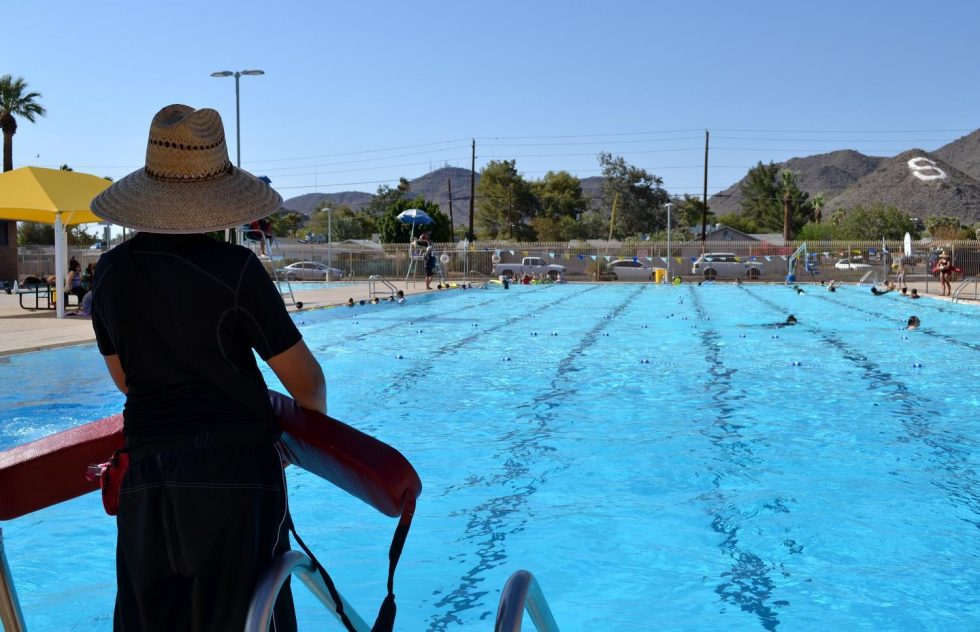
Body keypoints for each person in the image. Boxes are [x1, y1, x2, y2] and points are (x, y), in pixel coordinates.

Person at [89, 104, 326, 632]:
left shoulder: (110, 271)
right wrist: (296, 449)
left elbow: (126, 379)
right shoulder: (235, 269)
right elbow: (306, 382)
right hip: (234, 480)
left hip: (147, 479)